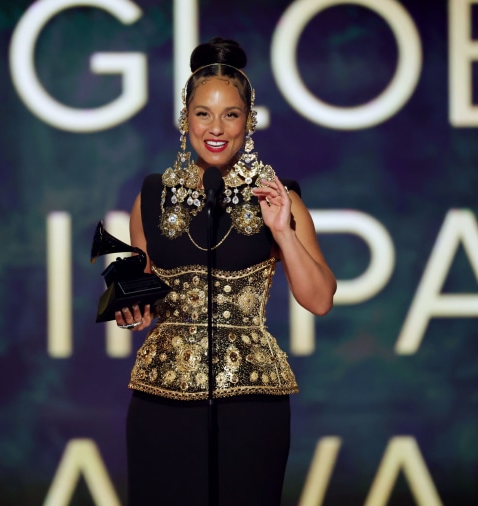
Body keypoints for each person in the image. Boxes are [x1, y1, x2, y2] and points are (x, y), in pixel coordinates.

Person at [114, 37, 336, 505]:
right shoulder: (152, 196)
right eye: (203, 113)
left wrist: (284, 233)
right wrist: (131, 305)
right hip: (162, 399)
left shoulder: (278, 196)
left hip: (250, 404)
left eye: (231, 114)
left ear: (248, 121)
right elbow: (142, 295)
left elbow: (319, 299)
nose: (216, 128)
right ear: (185, 118)